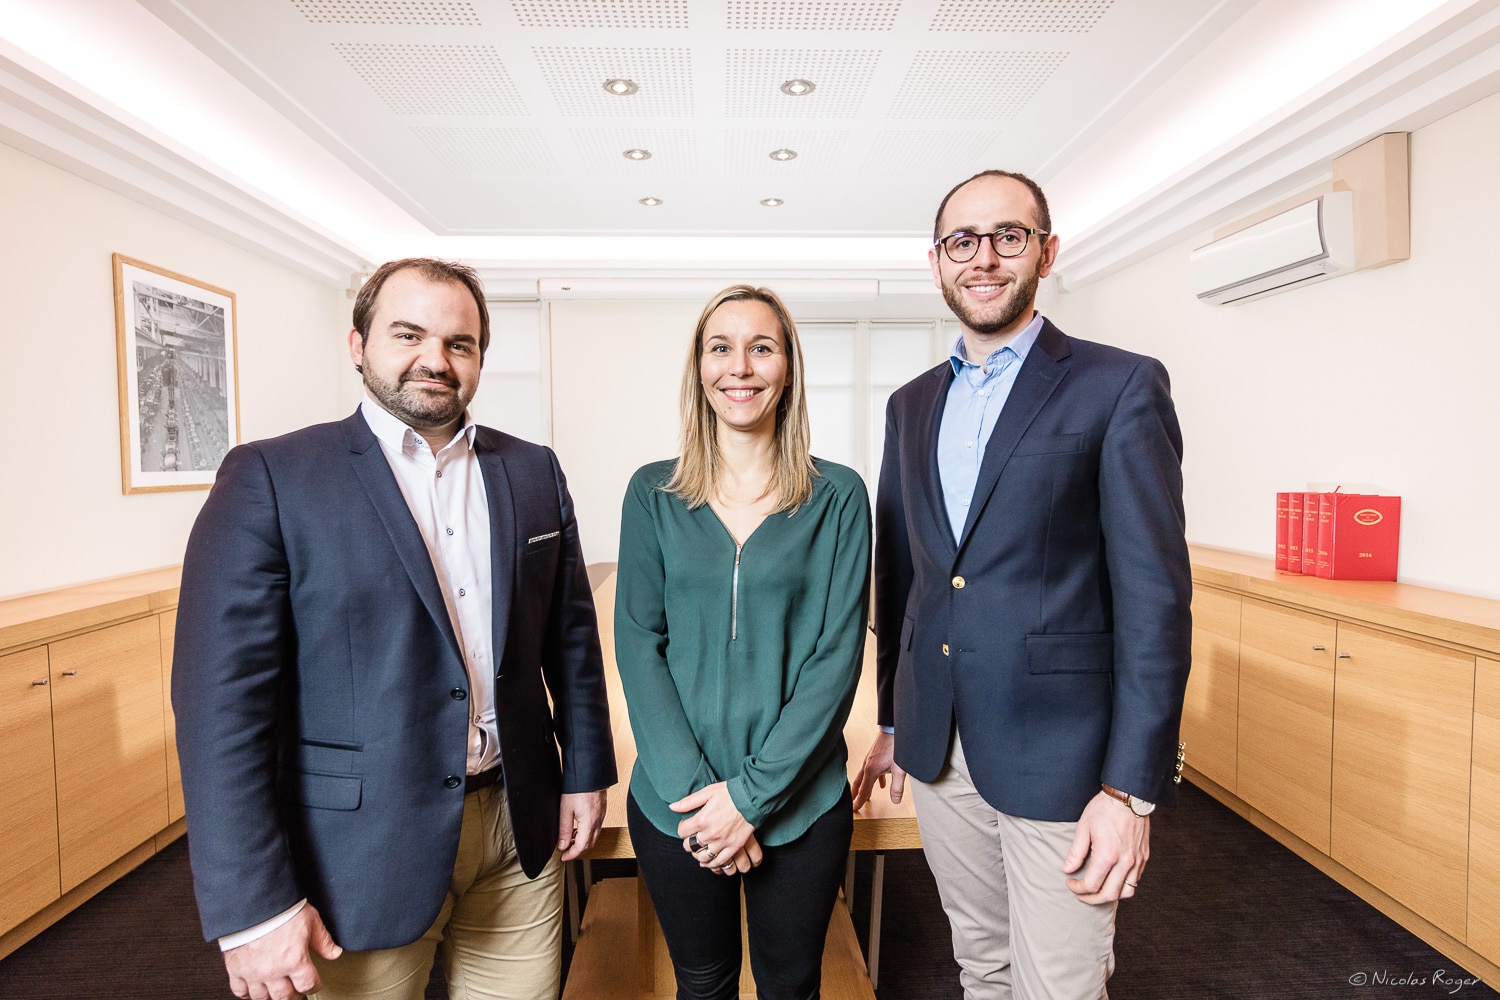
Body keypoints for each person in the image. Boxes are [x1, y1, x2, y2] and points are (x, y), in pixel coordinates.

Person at [172, 258, 616, 1000]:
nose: (435, 360)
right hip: (358, 850)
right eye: (409, 334)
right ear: (357, 343)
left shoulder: (533, 470)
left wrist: (585, 772)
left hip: (517, 826)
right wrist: (250, 908)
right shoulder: (273, 477)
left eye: (460, 343)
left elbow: (569, 639)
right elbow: (220, 712)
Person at [851, 170, 1193, 1000]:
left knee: (1060, 984)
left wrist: (1130, 791)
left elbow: (1156, 602)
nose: (985, 258)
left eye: (1009, 236)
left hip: (1064, 758)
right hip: (938, 748)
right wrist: (895, 717)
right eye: (963, 242)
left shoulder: (1118, 384)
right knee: (983, 966)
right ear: (937, 260)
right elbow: (905, 576)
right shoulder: (910, 405)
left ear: (1046, 250)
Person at [614, 285, 871, 1000]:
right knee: (703, 984)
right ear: (699, 367)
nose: (742, 367)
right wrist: (705, 803)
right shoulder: (652, 494)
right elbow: (639, 646)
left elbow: (836, 659)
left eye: (763, 347)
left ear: (787, 366)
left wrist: (750, 801)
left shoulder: (839, 496)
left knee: (791, 987)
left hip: (801, 802)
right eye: (721, 347)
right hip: (677, 802)